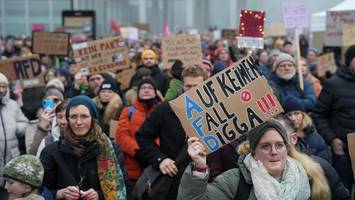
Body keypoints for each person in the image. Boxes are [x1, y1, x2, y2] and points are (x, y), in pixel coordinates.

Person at [178, 119, 330, 200]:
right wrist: (198, 168)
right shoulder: (235, 181)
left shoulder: (307, 176)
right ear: (253, 152)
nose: (274, 152)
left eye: (279, 145)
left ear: (287, 148)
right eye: (265, 146)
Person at [136, 65, 208, 199]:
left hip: (206, 181)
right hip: (173, 181)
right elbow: (143, 136)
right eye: (188, 86)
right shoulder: (165, 109)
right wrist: (160, 159)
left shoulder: (216, 112)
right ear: (182, 86)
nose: (191, 91)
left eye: (196, 86)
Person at [40, 95, 127, 199]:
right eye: (73, 117)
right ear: (68, 119)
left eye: (84, 116)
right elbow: (41, 189)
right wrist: (60, 194)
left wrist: (99, 195)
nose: (78, 122)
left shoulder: (111, 149)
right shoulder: (51, 152)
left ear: (93, 119)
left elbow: (123, 185)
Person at [275, 115, 351, 200]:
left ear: (293, 139)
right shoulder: (258, 176)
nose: (273, 150)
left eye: (279, 142)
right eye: (265, 145)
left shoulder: (319, 166)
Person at [312, 45, 355, 191]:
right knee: (344, 190)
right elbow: (318, 114)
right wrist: (332, 139)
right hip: (342, 150)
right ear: (350, 61)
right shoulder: (333, 84)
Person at [116, 78, 162, 195]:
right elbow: (121, 135)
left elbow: (165, 135)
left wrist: (151, 153)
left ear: (155, 92)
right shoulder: (128, 111)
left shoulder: (162, 110)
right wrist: (137, 151)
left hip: (156, 168)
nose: (146, 90)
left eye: (150, 88)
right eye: (143, 88)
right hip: (132, 172)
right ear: (138, 92)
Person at [0, 72, 29, 198]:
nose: (1, 90)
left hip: (11, 160)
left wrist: (15, 127)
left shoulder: (12, 104)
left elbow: (25, 123)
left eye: (4, 86)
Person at [282, 95, 331, 163]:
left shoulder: (315, 138)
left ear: (303, 115)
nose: (293, 118)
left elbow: (326, 164)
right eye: (289, 115)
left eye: (296, 113)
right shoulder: (282, 139)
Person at [26, 86, 64, 155]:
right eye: (49, 101)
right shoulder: (33, 125)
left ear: (62, 103)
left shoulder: (67, 122)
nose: (52, 104)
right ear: (43, 104)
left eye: (55, 100)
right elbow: (31, 155)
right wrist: (41, 129)